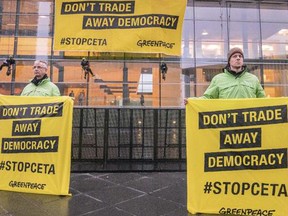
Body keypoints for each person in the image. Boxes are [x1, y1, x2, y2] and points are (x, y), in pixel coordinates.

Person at [184, 47, 266, 104]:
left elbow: (263, 100)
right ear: (229, 61)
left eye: (240, 56)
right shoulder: (218, 79)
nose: (238, 58)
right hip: (228, 123)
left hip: (249, 123)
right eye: (234, 56)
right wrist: (192, 101)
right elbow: (208, 98)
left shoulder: (253, 79)